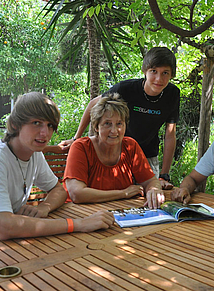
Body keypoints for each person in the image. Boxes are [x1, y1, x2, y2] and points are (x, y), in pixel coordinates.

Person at [0, 92, 114, 240]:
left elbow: (59, 190)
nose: (45, 133)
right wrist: (78, 224)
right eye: (36, 123)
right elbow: (6, 227)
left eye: (50, 125)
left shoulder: (34, 154)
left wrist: (45, 207)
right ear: (14, 125)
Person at [59, 47, 180, 189]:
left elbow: (170, 134)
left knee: (151, 197)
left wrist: (164, 175)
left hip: (147, 155)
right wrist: (76, 138)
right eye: (154, 71)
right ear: (145, 71)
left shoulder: (172, 94)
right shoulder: (126, 89)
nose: (159, 79)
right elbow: (93, 104)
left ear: (172, 75)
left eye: (165, 73)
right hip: (118, 153)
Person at [63, 93, 165, 209]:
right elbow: (77, 194)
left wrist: (154, 189)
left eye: (119, 124)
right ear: (96, 127)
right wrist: (123, 193)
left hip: (116, 212)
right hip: (77, 213)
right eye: (107, 124)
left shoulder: (130, 146)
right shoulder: (81, 147)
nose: (114, 131)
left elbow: (150, 181)